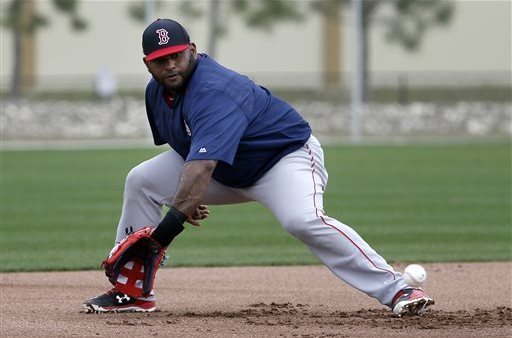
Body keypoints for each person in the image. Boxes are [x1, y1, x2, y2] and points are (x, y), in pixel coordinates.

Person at [83, 19, 434, 317]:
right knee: (141, 180)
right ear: (147, 64)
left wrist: (166, 229)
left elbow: (202, 163)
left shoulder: (215, 89)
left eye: (176, 55)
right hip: (226, 168)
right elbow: (185, 148)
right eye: (161, 60)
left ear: (192, 49)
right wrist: (184, 198)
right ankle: (132, 291)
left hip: (283, 161)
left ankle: (399, 290)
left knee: (303, 220)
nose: (171, 65)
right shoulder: (156, 93)